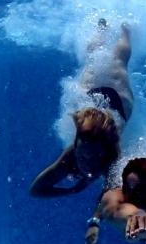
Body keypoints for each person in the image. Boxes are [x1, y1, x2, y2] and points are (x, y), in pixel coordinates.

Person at [30, 19, 134, 197]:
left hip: (117, 100)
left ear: (104, 152)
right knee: (98, 59)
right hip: (116, 101)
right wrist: (71, 190)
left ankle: (126, 31)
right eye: (84, 156)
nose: (88, 162)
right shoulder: (70, 155)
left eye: (94, 157)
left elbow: (107, 197)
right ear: (76, 145)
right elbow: (36, 190)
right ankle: (103, 30)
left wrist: (95, 219)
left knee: (115, 62)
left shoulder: (112, 159)